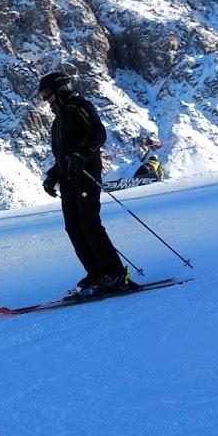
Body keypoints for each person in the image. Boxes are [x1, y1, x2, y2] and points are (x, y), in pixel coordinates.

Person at [38, 70, 130, 298]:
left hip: (86, 174)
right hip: (68, 178)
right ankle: (96, 273)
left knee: (89, 223)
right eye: (42, 95)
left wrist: (82, 155)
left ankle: (114, 274)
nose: (45, 99)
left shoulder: (79, 106)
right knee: (73, 226)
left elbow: (98, 133)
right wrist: (52, 176)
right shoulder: (59, 119)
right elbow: (64, 156)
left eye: (47, 92)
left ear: (61, 88)